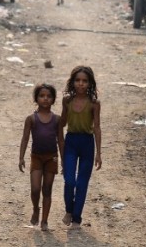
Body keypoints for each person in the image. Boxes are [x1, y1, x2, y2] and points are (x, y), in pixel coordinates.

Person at [59, 66, 102, 229]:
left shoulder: (94, 103)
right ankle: (69, 210)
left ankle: (76, 218)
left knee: (82, 183)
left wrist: (99, 153)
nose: (81, 84)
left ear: (90, 83)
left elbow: (97, 127)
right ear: (72, 82)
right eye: (77, 80)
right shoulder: (67, 100)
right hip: (71, 142)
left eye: (85, 81)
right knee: (69, 181)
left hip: (87, 144)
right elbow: (62, 123)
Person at [19, 83, 64, 231]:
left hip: (52, 158)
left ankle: (44, 220)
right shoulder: (31, 119)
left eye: (49, 96)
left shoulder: (57, 120)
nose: (45, 99)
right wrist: (21, 157)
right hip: (36, 157)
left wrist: (63, 160)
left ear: (53, 100)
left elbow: (60, 140)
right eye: (42, 96)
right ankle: (35, 209)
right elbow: (25, 138)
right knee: (35, 189)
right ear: (36, 99)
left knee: (47, 189)